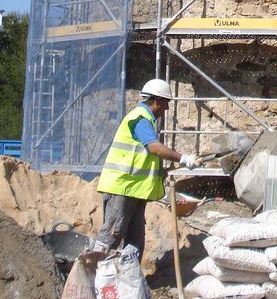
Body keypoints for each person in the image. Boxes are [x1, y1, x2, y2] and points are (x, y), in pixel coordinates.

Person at [81, 79, 198, 263]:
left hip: (135, 189)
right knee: (112, 234)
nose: (166, 109)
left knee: (135, 241)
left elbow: (143, 158)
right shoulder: (140, 119)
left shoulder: (146, 121)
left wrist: (161, 171)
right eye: (166, 103)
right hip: (123, 188)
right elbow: (154, 148)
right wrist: (182, 158)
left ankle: (130, 279)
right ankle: (93, 273)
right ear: (157, 101)